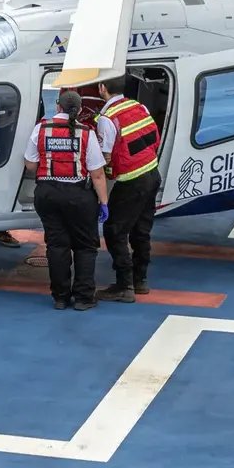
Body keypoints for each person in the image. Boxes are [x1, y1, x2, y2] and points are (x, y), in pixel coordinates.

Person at [24, 89, 111, 310]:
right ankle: (83, 297)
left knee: (56, 245)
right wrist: (103, 202)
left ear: (58, 107)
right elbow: (97, 173)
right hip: (78, 196)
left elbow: (30, 165)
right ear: (80, 110)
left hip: (47, 194)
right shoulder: (86, 133)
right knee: (85, 246)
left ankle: (60, 297)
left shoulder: (40, 130)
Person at [95, 76, 162, 300]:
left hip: (131, 181)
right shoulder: (138, 106)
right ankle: (140, 280)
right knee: (141, 230)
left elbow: (104, 157)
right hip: (152, 173)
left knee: (114, 230)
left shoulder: (107, 118)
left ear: (102, 88)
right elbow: (153, 137)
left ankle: (124, 286)